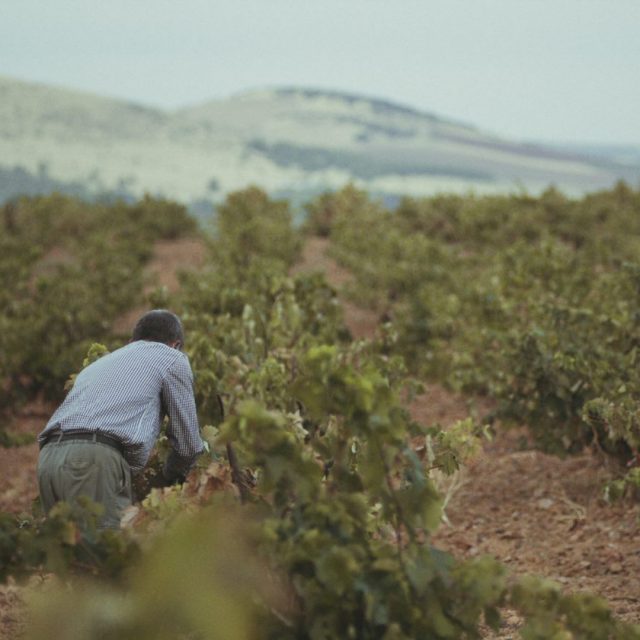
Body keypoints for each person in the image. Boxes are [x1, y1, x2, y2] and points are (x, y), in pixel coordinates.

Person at [37, 309, 204, 529]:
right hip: (94, 460)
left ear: (131, 341)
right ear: (176, 345)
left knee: (71, 556)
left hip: (48, 459)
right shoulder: (172, 358)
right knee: (107, 556)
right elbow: (188, 445)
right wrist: (166, 481)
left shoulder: (99, 365)